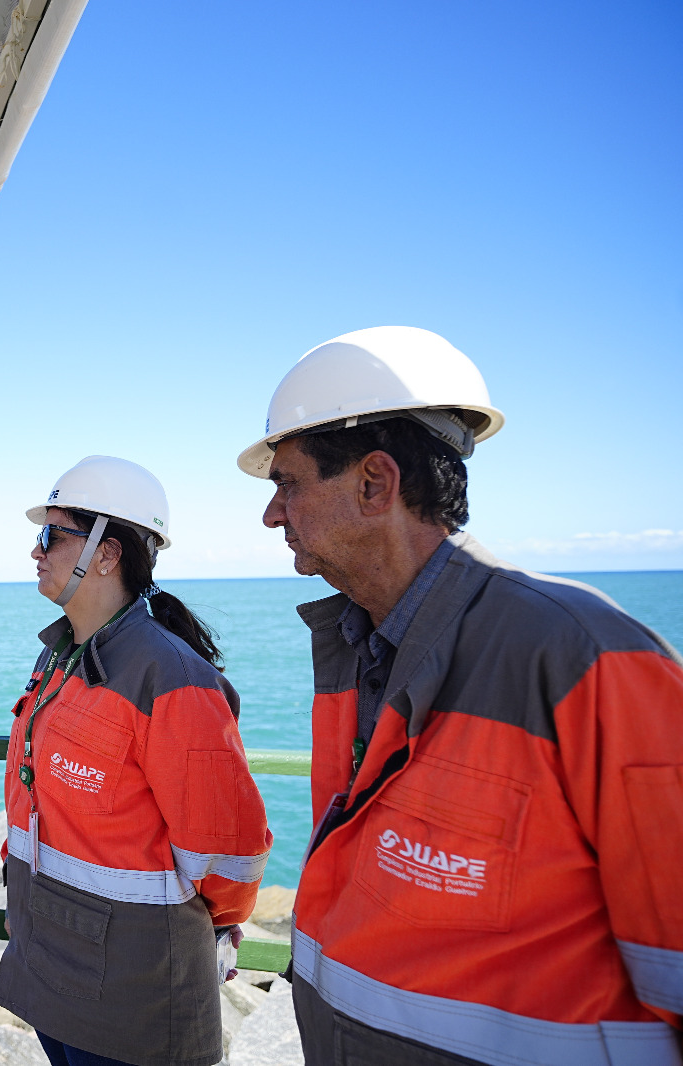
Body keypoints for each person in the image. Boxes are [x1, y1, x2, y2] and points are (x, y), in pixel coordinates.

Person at [239, 326, 683, 1065]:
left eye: (288, 483)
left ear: (375, 484)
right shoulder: (351, 647)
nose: (272, 514)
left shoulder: (587, 658)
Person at [0, 456, 273, 1066]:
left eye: (52, 535)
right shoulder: (60, 656)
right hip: (51, 954)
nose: (36, 551)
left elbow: (227, 847)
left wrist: (215, 927)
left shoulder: (171, 677)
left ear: (107, 553)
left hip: (132, 984)